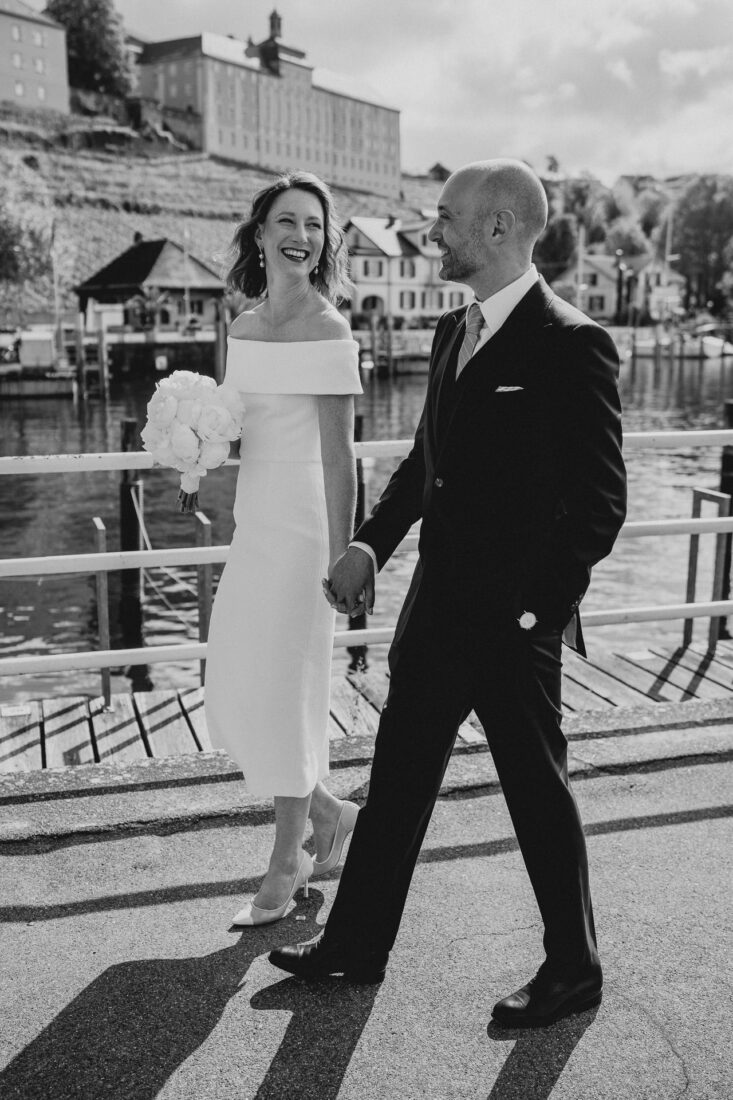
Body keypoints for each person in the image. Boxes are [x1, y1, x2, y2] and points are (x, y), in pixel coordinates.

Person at [269, 159, 627, 1027]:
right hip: (435, 612)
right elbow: (427, 465)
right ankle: (355, 945)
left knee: (536, 792)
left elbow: (600, 504)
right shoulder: (451, 331)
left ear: (498, 227)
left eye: (445, 218)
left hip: (510, 626)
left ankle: (572, 970)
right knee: (395, 783)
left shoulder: (570, 341)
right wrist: (369, 546)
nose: (433, 231)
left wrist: (533, 614)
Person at [204, 172, 361, 926]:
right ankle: (329, 814)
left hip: (304, 532)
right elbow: (242, 430)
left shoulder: (331, 330)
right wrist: (195, 454)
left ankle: (284, 863)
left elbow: (341, 458)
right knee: (237, 683)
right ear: (260, 233)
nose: (302, 235)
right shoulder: (244, 325)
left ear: (324, 241)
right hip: (254, 525)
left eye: (315, 224)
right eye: (287, 221)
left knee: (290, 693)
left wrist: (347, 553)